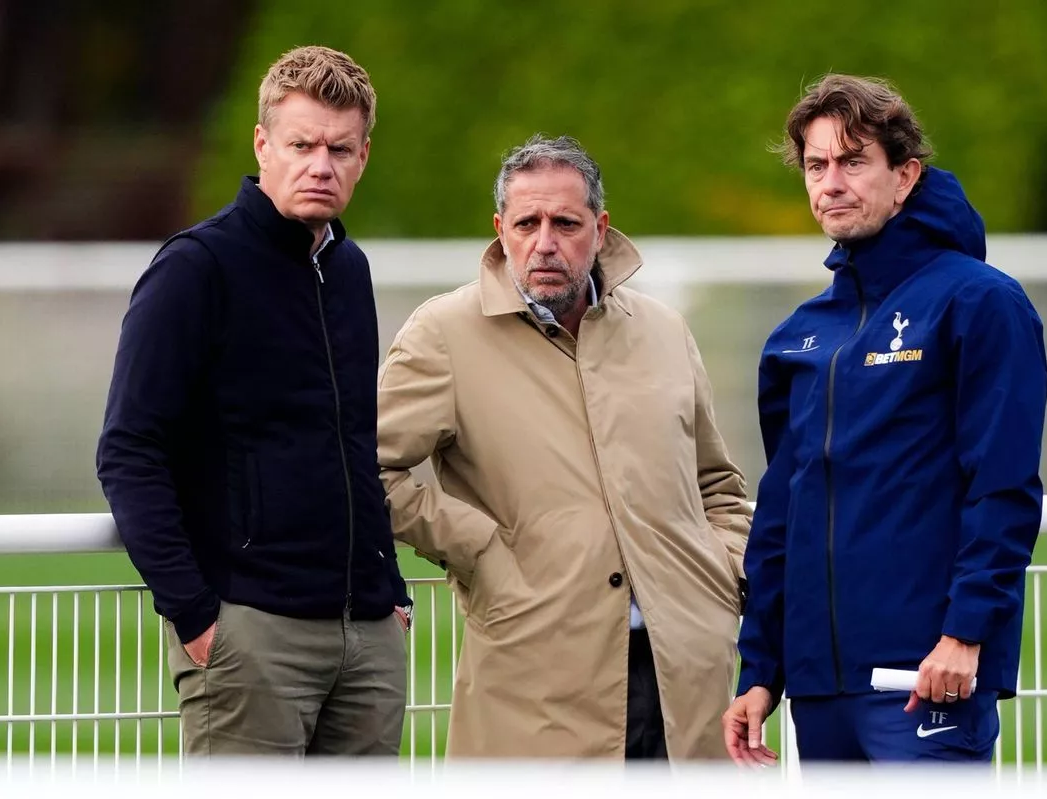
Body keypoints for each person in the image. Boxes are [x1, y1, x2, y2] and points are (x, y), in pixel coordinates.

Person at [376, 134, 752, 760]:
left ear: (600, 229)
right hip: (537, 677)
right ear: (500, 229)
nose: (544, 242)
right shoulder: (443, 333)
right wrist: (482, 549)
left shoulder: (663, 331)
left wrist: (719, 573)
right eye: (527, 222)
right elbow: (369, 470)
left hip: (685, 674)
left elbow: (718, 486)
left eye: (566, 223)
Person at [723, 74, 1047, 764]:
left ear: (905, 177)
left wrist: (966, 633)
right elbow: (783, 512)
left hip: (925, 677)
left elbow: (1003, 484)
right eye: (817, 165)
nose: (831, 182)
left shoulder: (980, 302)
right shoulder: (797, 336)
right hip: (817, 688)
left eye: (853, 160)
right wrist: (760, 668)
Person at [96, 45, 410, 757]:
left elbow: (355, 440)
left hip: (367, 633)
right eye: (302, 145)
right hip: (250, 632)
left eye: (340, 148)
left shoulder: (349, 268)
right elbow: (127, 450)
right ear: (264, 144)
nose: (320, 164)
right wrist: (197, 615)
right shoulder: (194, 268)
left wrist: (388, 584)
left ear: (363, 156)